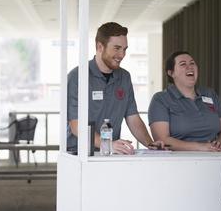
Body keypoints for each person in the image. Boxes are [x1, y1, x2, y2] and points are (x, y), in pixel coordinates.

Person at [67, 22, 163, 154]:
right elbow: (76, 125)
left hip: (111, 154)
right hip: (79, 153)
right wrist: (107, 144)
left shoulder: (124, 77)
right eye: (117, 48)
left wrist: (150, 144)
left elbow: (133, 118)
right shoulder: (77, 77)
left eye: (124, 49)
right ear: (100, 47)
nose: (122, 55)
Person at [147, 51, 221, 151]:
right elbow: (162, 139)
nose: (189, 67)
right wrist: (201, 147)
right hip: (179, 161)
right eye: (183, 64)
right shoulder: (160, 99)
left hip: (213, 157)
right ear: (171, 73)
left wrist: (219, 144)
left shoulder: (210, 94)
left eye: (192, 63)